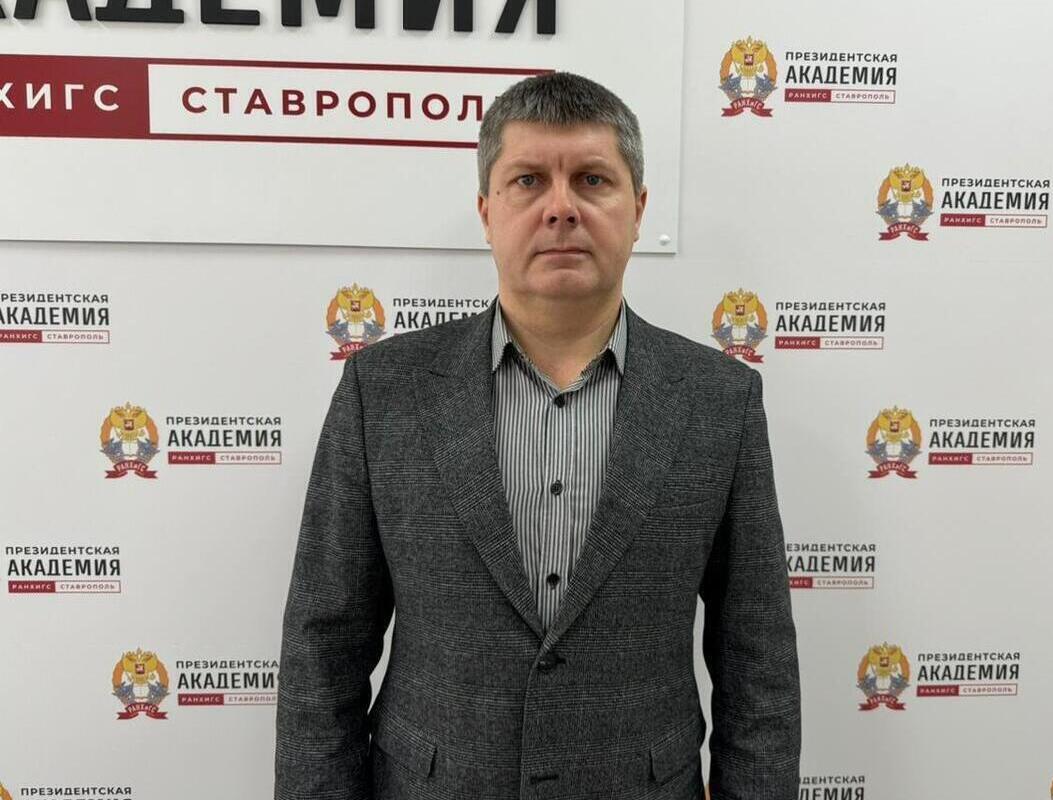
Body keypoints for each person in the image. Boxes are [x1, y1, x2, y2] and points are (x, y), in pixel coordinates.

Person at [274, 71, 801, 800]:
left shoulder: (719, 399)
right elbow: (323, 643)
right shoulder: (383, 390)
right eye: (528, 181)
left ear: (638, 210)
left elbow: (758, 657)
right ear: (487, 212)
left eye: (592, 180)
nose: (561, 208)